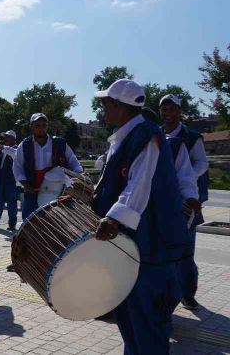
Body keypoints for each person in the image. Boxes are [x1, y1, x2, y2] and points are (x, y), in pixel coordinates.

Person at [92, 79, 188, 355]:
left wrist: (113, 219)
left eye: (106, 102)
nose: (103, 108)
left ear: (120, 106)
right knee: (130, 321)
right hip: (131, 246)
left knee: (148, 325)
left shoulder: (146, 135)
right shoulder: (125, 136)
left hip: (149, 249)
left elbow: (139, 184)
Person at [160, 94, 208, 310]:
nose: (168, 113)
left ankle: (187, 293)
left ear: (180, 112)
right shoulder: (156, 135)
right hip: (163, 201)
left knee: (186, 250)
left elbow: (202, 163)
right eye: (164, 109)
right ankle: (167, 293)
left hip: (187, 200)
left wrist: (186, 180)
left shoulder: (191, 137)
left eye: (172, 109)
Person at [13, 113, 83, 219]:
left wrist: (79, 175)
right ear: (31, 126)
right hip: (32, 191)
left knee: (55, 224)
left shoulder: (60, 143)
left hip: (57, 191)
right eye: (38, 126)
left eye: (44, 125)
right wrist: (25, 184)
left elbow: (73, 161)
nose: (41, 128)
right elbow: (17, 167)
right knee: (29, 223)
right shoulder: (24, 145)